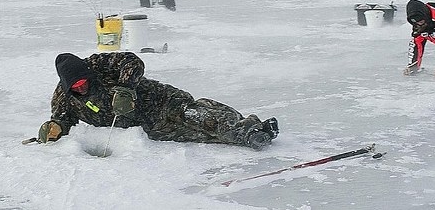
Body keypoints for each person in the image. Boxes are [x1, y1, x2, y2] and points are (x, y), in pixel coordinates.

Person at [37, 52, 280, 150]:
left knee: (195, 116)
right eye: (76, 86)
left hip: (162, 100)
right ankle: (242, 137)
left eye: (83, 81)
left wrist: (125, 89)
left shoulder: (98, 64)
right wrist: (55, 127)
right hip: (149, 125)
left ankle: (248, 130)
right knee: (194, 134)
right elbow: (62, 118)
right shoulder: (64, 96)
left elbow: (132, 62)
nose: (81, 87)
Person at [404, 0, 435, 79]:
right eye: (416, 22)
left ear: (425, 14)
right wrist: (412, 67)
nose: (419, 23)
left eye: (421, 20)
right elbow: (417, 44)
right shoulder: (418, 25)